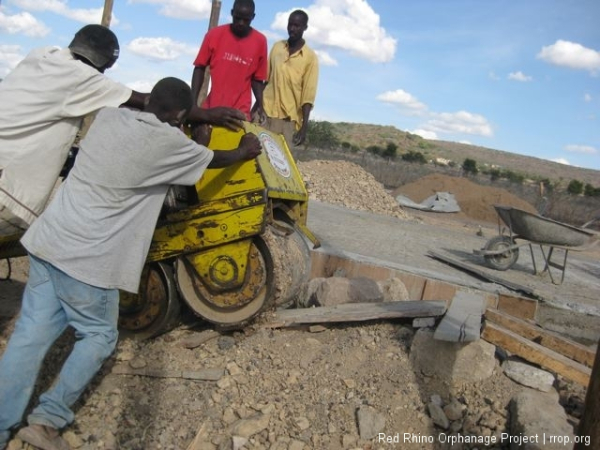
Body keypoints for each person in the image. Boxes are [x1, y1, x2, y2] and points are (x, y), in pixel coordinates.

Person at [0, 76, 261, 450]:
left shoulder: (109, 118)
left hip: (48, 243)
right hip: (89, 261)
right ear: (181, 116)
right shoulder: (169, 143)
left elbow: (134, 104)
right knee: (99, 335)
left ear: (150, 100)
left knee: (29, 338)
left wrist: (185, 121)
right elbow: (211, 161)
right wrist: (240, 149)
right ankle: (47, 421)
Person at [0, 24, 244, 239]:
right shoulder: (83, 78)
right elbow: (149, 102)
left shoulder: (42, 54)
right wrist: (207, 114)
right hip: (6, 186)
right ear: (105, 63)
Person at [191, 0, 268, 121]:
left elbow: (257, 79)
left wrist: (260, 105)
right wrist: (193, 104)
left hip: (240, 113)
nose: (241, 23)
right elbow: (199, 68)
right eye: (237, 18)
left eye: (246, 20)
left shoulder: (260, 41)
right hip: (212, 109)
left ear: (253, 17)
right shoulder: (214, 35)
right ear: (232, 13)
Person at [260, 9, 319, 150]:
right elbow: (265, 80)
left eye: (297, 26)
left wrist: (304, 127)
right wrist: (257, 107)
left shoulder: (310, 58)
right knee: (256, 160)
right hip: (265, 113)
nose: (292, 29)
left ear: (305, 27)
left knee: (281, 166)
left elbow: (307, 97)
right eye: (290, 24)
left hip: (288, 121)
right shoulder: (277, 48)